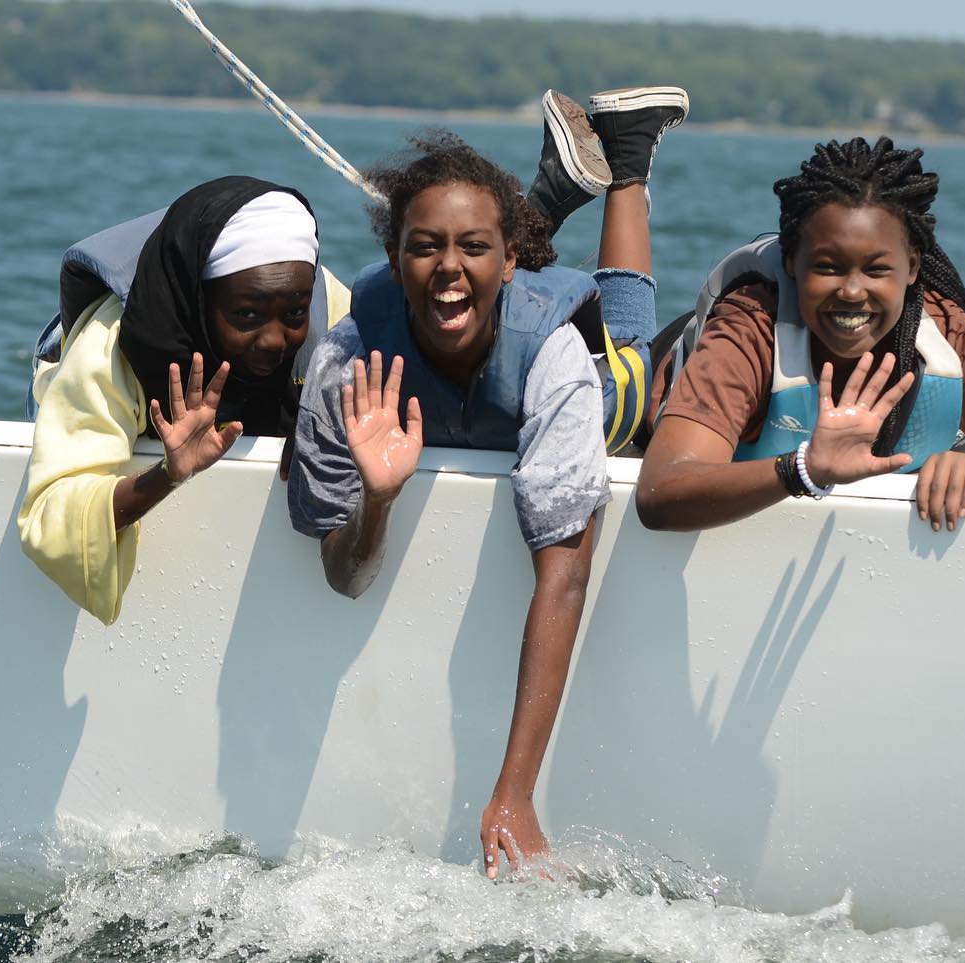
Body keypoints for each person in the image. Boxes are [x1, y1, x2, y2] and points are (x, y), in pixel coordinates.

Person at [288, 86, 689, 878]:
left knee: (632, 359)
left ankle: (630, 157)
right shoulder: (349, 355)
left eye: (474, 247)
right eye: (424, 247)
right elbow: (344, 575)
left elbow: (566, 575)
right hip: (457, 394)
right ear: (393, 256)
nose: (445, 267)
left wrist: (514, 791)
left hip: (574, 393)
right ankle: (554, 190)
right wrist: (379, 499)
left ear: (511, 259)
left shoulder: (554, 356)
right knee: (458, 293)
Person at [637, 136, 965, 532]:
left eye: (877, 270)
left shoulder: (945, 334)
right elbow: (660, 491)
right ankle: (628, 173)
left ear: (913, 268)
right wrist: (802, 470)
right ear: (793, 265)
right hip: (641, 398)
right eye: (827, 267)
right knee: (620, 357)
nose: (853, 291)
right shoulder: (752, 327)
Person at [19, 176, 351, 624]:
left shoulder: (324, 306)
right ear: (199, 294)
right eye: (247, 315)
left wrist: (322, 425)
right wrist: (168, 474)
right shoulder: (110, 346)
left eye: (293, 313)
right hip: (70, 390)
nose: (275, 340)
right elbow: (50, 514)